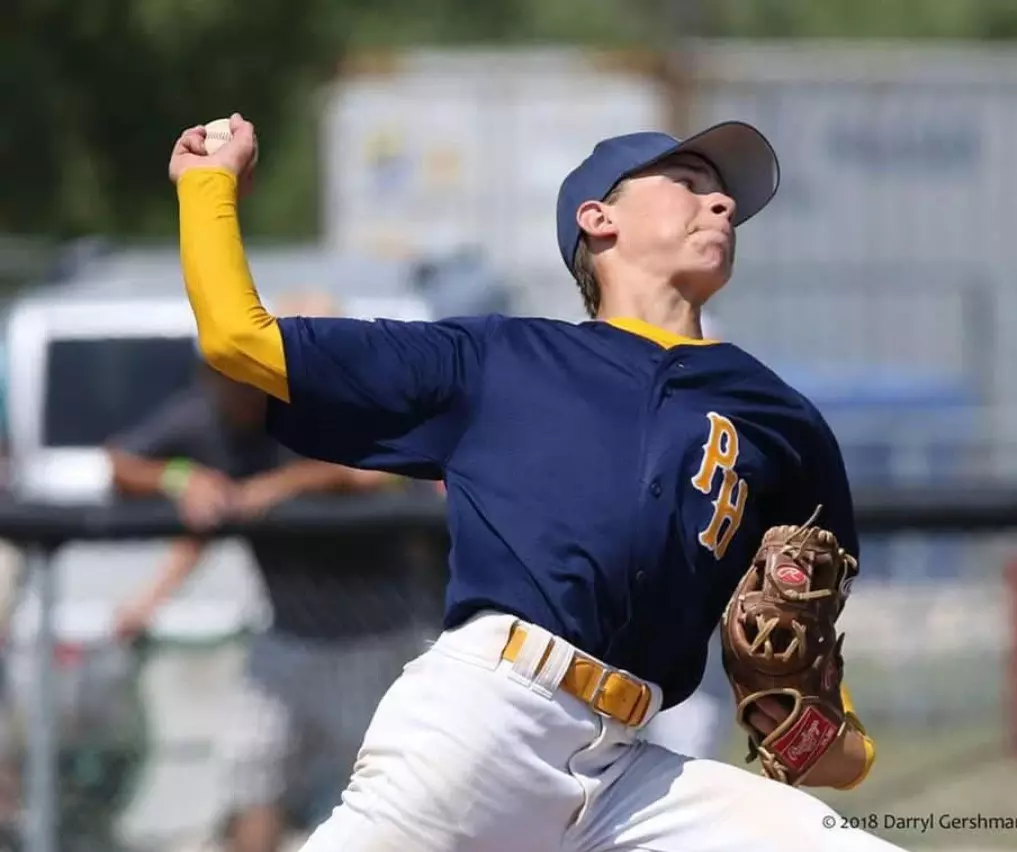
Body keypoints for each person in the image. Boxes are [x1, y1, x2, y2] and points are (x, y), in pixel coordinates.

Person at [166, 113, 906, 851]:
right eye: (687, 182)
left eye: (723, 199)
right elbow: (239, 341)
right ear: (598, 218)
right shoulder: (497, 360)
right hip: (486, 720)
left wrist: (822, 735)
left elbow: (809, 709)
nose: (719, 205)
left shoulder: (779, 420)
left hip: (629, 770)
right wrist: (208, 187)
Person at [106, 348, 433, 852]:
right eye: (227, 379)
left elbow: (374, 472)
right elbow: (121, 464)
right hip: (286, 636)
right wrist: (180, 478)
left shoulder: (318, 406)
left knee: (385, 802)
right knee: (252, 773)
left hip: (371, 638)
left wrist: (282, 486)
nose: (239, 392)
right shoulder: (203, 417)